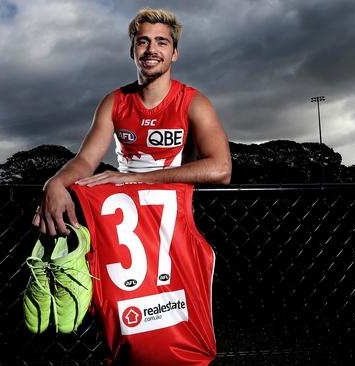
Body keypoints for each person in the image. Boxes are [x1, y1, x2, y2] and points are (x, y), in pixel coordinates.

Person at [32, 8, 231, 236]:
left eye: (161, 42)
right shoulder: (114, 101)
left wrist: (134, 178)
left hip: (176, 218)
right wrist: (54, 182)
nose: (151, 50)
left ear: (175, 53)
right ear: (132, 51)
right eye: (143, 42)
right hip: (125, 217)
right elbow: (86, 160)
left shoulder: (194, 102)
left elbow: (221, 169)